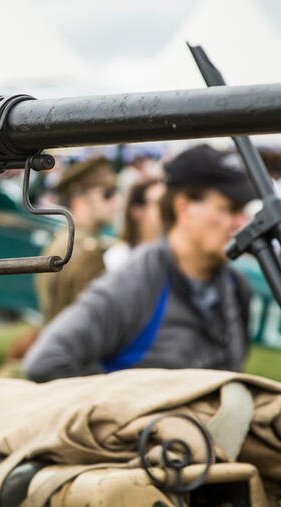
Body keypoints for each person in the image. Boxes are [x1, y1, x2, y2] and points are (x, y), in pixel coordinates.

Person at [24, 145, 253, 382]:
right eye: (230, 209)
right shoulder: (135, 281)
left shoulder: (236, 287)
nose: (241, 222)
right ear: (184, 209)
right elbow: (48, 359)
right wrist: (130, 406)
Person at [33, 156, 118, 323]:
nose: (116, 201)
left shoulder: (65, 240)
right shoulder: (85, 251)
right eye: (107, 194)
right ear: (80, 198)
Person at [103, 177, 164, 270]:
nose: (167, 209)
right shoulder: (118, 258)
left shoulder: (174, 252)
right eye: (159, 203)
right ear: (137, 211)